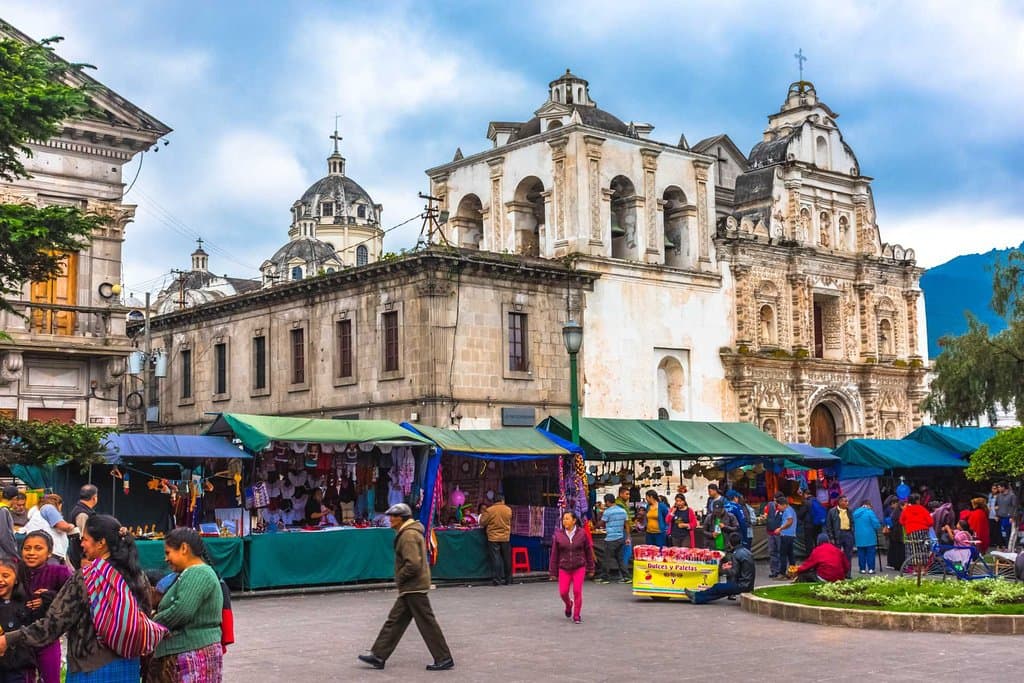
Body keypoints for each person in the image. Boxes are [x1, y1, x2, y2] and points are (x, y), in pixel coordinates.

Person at [0, 514, 166, 681]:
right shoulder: (138, 576)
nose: (82, 544)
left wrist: (9, 639)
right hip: (128, 665)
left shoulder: (86, 577)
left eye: (85, 539)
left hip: (90, 668)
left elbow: (54, 624)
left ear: (101, 543)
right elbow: (144, 618)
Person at [359, 504, 453, 671]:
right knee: (395, 621)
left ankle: (443, 657)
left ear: (401, 518)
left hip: (413, 586)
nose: (390, 520)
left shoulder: (408, 535)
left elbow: (413, 564)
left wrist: (400, 578)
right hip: (412, 586)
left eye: (393, 516)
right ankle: (379, 655)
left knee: (426, 623)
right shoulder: (409, 532)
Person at [148, 528, 224, 682]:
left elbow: (182, 611)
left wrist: (153, 622)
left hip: (192, 655)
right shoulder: (192, 573)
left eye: (168, 553)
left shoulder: (198, 573)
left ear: (184, 548)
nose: (166, 559)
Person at [21, 531, 72, 683]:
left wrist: (50, 597)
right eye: (27, 548)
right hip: (20, 638)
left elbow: (73, 597)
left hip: (47, 638)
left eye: (38, 548)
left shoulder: (59, 572)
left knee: (51, 679)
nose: (31, 553)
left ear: (49, 553)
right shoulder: (16, 571)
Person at [548, 511, 594, 625]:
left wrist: (591, 568)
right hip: (564, 567)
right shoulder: (558, 535)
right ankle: (569, 604)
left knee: (577, 591)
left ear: (574, 521)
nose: (565, 521)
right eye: (563, 519)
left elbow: (588, 551)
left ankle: (577, 615)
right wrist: (552, 571)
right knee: (563, 592)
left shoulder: (582, 534)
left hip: (579, 566)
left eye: (567, 519)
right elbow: (554, 554)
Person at [684, 533, 755, 604]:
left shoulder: (736, 554)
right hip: (749, 584)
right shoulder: (747, 552)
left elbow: (734, 572)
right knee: (721, 590)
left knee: (717, 587)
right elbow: (743, 568)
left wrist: (722, 570)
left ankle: (696, 596)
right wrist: (731, 565)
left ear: (730, 543)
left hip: (742, 585)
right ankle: (698, 598)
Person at [0, 555, 37, 682]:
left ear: (16, 579)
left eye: (5, 576)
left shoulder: (27, 603)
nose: (0, 580)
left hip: (18, 664)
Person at [21, 495, 76, 566]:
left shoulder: (36, 514)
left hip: (40, 553)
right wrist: (71, 526)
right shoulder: (48, 508)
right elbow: (63, 526)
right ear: (58, 504)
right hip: (52, 554)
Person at [478, 494, 512, 586]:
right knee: (506, 558)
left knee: (496, 558)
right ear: (502, 500)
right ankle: (508, 579)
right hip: (505, 537)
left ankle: (497, 580)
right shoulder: (508, 509)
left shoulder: (490, 510)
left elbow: (482, 522)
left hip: (493, 537)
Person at [598, 494, 629, 584]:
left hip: (611, 538)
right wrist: (627, 537)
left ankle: (605, 577)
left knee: (606, 558)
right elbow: (626, 525)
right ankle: (626, 576)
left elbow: (601, 523)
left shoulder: (608, 512)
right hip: (620, 537)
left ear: (607, 501)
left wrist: (594, 526)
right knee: (620, 558)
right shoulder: (623, 511)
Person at [825, 496, 856, 577]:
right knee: (836, 555)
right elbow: (828, 525)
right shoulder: (832, 511)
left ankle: (848, 573)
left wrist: (852, 531)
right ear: (840, 502)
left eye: (847, 501)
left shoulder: (849, 511)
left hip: (848, 533)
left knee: (848, 555)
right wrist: (831, 537)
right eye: (845, 501)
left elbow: (852, 522)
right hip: (837, 534)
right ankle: (837, 573)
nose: (847, 503)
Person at [901, 493, 935, 565]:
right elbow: (931, 522)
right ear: (917, 501)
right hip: (923, 531)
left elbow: (901, 521)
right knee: (923, 548)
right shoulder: (922, 509)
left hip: (911, 532)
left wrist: (908, 525)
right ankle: (923, 568)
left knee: (913, 549)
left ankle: (915, 568)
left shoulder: (906, 510)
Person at [852, 501, 881, 574]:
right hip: (869, 536)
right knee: (870, 553)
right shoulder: (869, 512)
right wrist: (877, 526)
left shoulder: (855, 513)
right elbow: (876, 523)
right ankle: (871, 569)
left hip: (859, 536)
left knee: (861, 553)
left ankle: (862, 569)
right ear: (868, 505)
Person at [776, 495, 798, 575]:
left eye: (778, 505)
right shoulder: (790, 510)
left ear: (783, 504)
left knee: (783, 554)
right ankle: (793, 571)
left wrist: (780, 528)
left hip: (786, 535)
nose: (778, 508)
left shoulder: (788, 510)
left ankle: (782, 572)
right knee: (790, 554)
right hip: (790, 535)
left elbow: (790, 521)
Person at [764, 495, 783, 578]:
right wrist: (764, 517)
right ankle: (774, 571)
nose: (775, 502)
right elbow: (765, 514)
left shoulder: (784, 508)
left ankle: (781, 570)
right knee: (772, 552)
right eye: (774, 500)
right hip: (770, 532)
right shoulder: (769, 505)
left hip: (780, 533)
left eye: (776, 501)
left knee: (780, 551)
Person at [995, 483, 1017, 549]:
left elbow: (1014, 507)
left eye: (999, 487)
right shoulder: (998, 496)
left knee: (1007, 533)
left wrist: (1012, 517)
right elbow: (996, 506)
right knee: (1002, 534)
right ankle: (1003, 547)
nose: (998, 489)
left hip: (1008, 517)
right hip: (1000, 517)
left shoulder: (1012, 496)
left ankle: (1010, 547)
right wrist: (997, 515)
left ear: (1004, 487)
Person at [886, 499, 906, 571]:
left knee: (895, 550)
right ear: (901, 506)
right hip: (899, 534)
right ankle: (900, 565)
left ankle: (895, 564)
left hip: (894, 535)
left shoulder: (895, 512)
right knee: (900, 551)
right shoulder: (900, 513)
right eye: (905, 505)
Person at [0, 487, 19, 560]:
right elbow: (4, 535)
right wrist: (14, 553)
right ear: (15, 498)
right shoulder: (3, 510)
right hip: (3, 555)